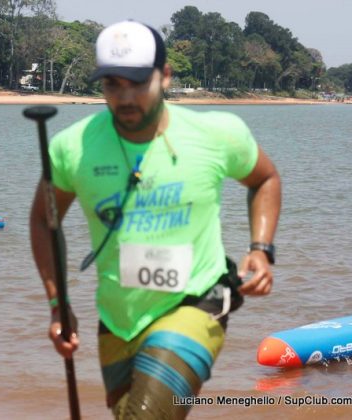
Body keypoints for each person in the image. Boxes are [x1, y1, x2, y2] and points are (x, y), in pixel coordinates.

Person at [29, 20, 281, 419]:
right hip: (117, 322)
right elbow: (44, 221)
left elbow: (264, 178)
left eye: (136, 83)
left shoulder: (216, 133)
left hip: (197, 304)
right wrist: (58, 304)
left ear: (165, 77)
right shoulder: (72, 147)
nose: (125, 97)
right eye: (112, 84)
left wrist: (261, 249)